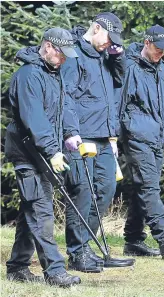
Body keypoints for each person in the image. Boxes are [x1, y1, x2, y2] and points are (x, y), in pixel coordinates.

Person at [4, 28, 81, 287]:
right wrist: (52, 150)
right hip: (28, 153)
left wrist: (70, 133)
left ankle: (17, 267)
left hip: (44, 152)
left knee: (31, 210)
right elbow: (34, 118)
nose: (64, 59)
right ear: (47, 47)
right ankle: (55, 272)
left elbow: (60, 110)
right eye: (61, 53)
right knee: (42, 211)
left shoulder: (53, 74)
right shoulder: (28, 76)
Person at [61, 12, 126, 272]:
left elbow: (119, 81)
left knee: (107, 188)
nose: (111, 44)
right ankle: (77, 253)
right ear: (96, 28)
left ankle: (87, 245)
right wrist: (70, 132)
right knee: (82, 193)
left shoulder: (105, 56)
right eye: (110, 38)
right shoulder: (74, 54)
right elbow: (64, 96)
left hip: (104, 136)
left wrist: (117, 56)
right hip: (81, 137)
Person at [119, 25, 164, 258]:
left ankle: (133, 240)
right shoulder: (130, 67)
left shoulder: (163, 70)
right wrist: (116, 135)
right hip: (137, 137)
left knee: (143, 188)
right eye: (158, 48)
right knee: (149, 187)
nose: (162, 53)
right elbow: (119, 105)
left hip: (157, 138)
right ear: (147, 43)